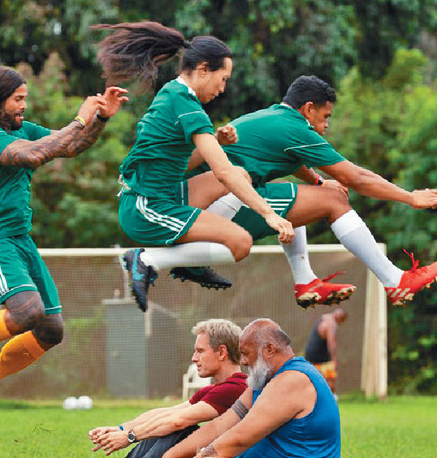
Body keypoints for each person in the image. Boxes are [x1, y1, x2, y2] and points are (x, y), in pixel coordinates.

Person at [0, 67, 128, 439]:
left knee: (51, 330)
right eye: (18, 99)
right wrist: (79, 117)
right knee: (27, 312)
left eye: (25, 98)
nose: (24, 105)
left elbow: (69, 146)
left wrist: (101, 118)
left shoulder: (17, 128)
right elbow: (38, 154)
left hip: (20, 241)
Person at [92, 21, 295, 311]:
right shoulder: (187, 106)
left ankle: (192, 260)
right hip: (145, 208)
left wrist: (216, 142)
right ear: (202, 70)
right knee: (240, 243)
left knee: (240, 173)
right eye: (222, 79)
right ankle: (147, 260)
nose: (222, 88)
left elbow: (180, 163)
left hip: (160, 195)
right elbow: (222, 172)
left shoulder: (173, 93)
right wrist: (268, 214)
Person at [197, 75, 437, 308]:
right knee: (334, 199)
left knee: (305, 199)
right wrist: (409, 197)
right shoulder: (295, 129)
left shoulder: (272, 117)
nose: (327, 124)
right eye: (325, 116)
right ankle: (395, 280)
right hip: (215, 207)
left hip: (208, 203)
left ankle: (306, 280)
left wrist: (318, 182)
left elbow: (292, 160)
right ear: (308, 109)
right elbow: (355, 177)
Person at [121, 318, 339, 458]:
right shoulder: (263, 380)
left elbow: (240, 437)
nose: (243, 362)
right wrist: (172, 457)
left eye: (246, 354)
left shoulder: (293, 380)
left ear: (269, 349)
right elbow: (220, 425)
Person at [53, 319, 247, 458]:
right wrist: (122, 429)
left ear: (221, 352)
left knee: (176, 429)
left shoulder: (235, 387)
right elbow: (168, 412)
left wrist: (130, 436)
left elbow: (179, 421)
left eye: (200, 351)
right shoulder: (216, 389)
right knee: (164, 425)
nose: (194, 358)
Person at [304, 307, 346, 393]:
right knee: (330, 378)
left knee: (311, 379)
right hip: (319, 354)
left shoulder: (325, 317)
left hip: (309, 352)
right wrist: (334, 360)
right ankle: (330, 398)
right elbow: (331, 343)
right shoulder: (332, 324)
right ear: (341, 319)